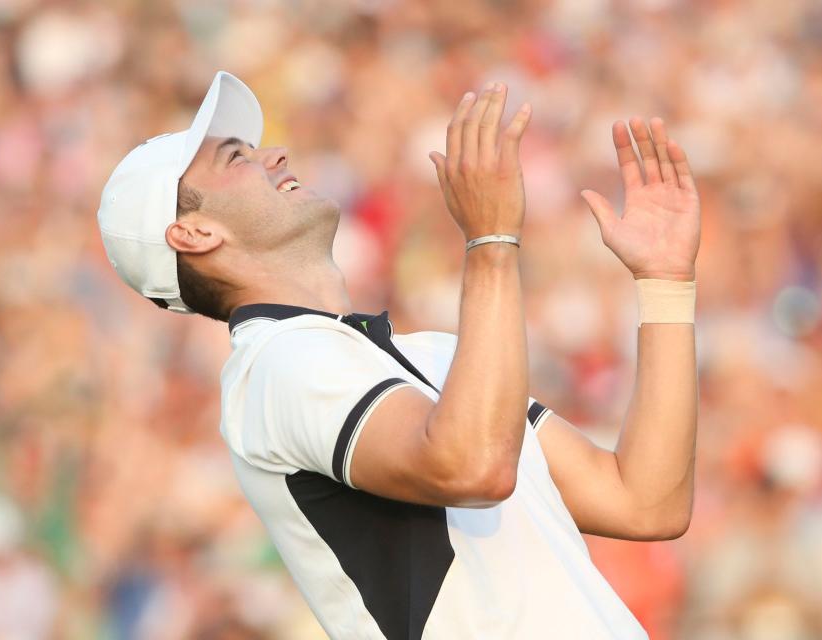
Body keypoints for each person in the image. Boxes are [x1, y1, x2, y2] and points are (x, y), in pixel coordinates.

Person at [97, 70, 700, 639]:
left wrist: (666, 282)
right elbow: (474, 467)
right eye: (236, 157)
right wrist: (490, 241)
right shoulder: (272, 365)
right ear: (195, 234)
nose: (274, 155)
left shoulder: (431, 355)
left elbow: (645, 502)